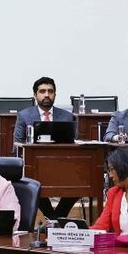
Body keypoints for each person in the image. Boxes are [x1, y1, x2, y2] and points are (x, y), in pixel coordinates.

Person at [13, 77, 77, 219]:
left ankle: (56, 217)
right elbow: (17, 144)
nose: (47, 95)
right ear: (35, 95)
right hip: (35, 168)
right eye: (42, 91)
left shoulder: (67, 116)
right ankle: (55, 219)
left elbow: (73, 146)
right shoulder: (24, 116)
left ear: (55, 94)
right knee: (32, 184)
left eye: (50, 91)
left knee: (80, 183)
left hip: (62, 166)